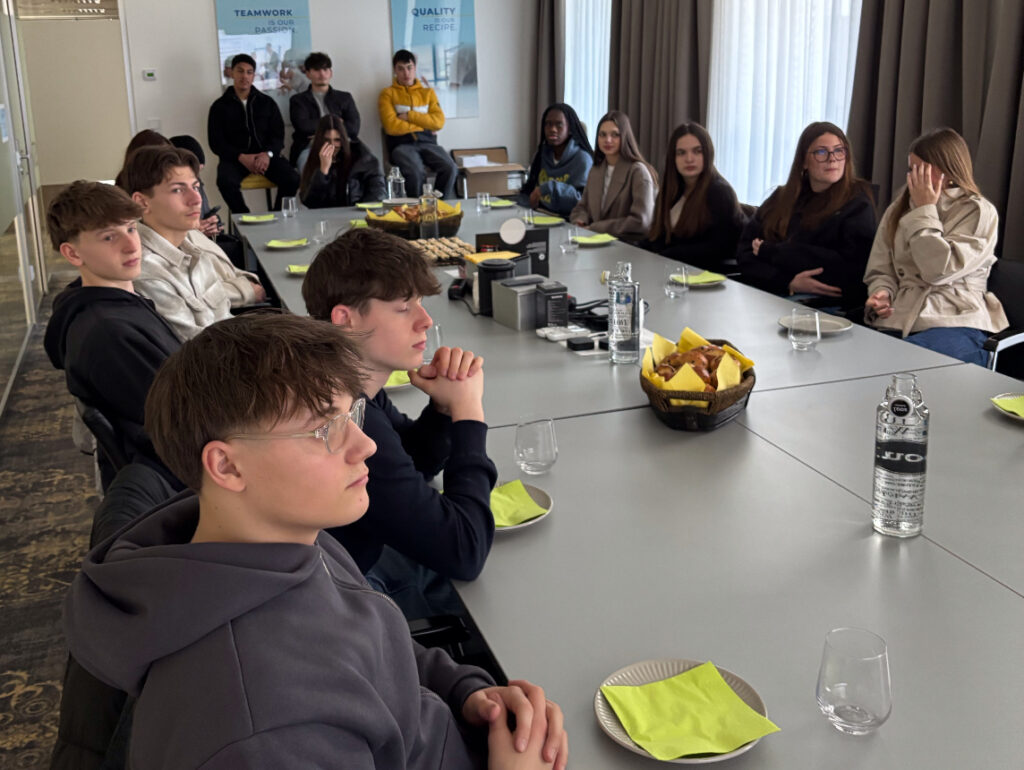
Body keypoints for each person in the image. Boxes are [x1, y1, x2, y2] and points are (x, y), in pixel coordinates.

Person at [63, 313, 569, 769]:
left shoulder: (282, 540)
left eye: (353, 415)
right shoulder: (263, 731)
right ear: (227, 466)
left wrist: (464, 691)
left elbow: (369, 640)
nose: (365, 445)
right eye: (325, 428)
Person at [302, 228, 496, 617]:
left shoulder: (342, 378)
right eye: (404, 307)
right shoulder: (348, 417)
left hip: (339, 560)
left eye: (420, 303)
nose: (425, 321)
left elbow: (413, 461)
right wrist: (468, 412)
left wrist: (443, 409)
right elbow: (464, 551)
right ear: (345, 319)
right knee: (504, 589)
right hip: (338, 594)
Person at [43, 181, 182, 489]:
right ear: (72, 253)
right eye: (109, 237)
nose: (132, 245)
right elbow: (181, 424)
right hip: (182, 475)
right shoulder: (109, 334)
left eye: (131, 228)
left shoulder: (116, 304)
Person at [864, 127, 1008, 364]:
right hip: (898, 319)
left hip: (956, 321)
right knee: (855, 359)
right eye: (911, 169)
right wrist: (882, 293)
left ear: (948, 170)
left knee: (899, 365)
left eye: (921, 170)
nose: (913, 177)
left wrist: (924, 210)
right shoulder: (898, 209)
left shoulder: (979, 211)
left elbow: (938, 270)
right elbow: (881, 269)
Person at [122, 145, 267, 340]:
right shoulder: (146, 271)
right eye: (177, 190)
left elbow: (224, 319)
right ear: (142, 202)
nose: (196, 199)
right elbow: (198, 347)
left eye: (195, 187)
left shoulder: (194, 251)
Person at [736, 121, 876, 311]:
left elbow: (849, 267)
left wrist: (774, 252)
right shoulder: (781, 197)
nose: (832, 159)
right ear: (803, 161)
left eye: (839, 151)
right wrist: (787, 281)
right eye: (821, 152)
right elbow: (745, 253)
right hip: (771, 291)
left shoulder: (858, 203)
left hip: (824, 305)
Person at [639, 122, 745, 272]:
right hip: (671, 269)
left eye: (697, 151)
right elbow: (659, 237)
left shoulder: (720, 192)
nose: (689, 159)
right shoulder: (671, 191)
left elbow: (718, 248)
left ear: (708, 154)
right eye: (681, 153)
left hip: (703, 275)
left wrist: (667, 255)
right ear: (673, 158)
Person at [207, 53, 299, 212]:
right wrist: (240, 156)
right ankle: (245, 219)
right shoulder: (219, 106)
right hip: (235, 159)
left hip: (266, 157)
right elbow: (216, 142)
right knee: (225, 182)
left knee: (292, 178)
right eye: (240, 71)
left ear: (253, 76)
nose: (245, 76)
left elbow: (278, 136)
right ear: (232, 73)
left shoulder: (267, 102)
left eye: (249, 72)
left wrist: (267, 154)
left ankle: (277, 218)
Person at [379, 49, 458, 198]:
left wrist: (409, 116)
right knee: (416, 171)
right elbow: (391, 126)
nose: (406, 73)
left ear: (415, 68)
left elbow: (438, 122)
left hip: (428, 143)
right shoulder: (387, 94)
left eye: (409, 68)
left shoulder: (428, 93)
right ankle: (416, 208)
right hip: (401, 145)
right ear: (395, 70)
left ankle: (438, 204)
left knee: (451, 168)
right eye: (401, 69)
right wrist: (425, 123)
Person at [569, 110, 656, 241]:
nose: (607, 140)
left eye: (615, 135)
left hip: (627, 245)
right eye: (602, 135)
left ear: (625, 137)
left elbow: (641, 221)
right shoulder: (596, 170)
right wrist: (580, 220)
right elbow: (582, 207)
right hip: (593, 240)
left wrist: (596, 228)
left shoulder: (638, 172)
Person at [517, 103, 594, 218]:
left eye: (559, 125)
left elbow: (582, 201)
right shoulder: (541, 154)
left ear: (570, 129)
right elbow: (529, 191)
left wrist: (550, 187)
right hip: (540, 215)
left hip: (568, 220)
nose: (553, 129)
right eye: (548, 124)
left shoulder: (582, 159)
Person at [289, 51, 361, 168]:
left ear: (330, 73)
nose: (322, 74)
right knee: (310, 172)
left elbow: (353, 128)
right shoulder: (298, 100)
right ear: (308, 74)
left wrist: (319, 132)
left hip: (343, 146)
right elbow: (303, 127)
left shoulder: (345, 98)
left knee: (363, 168)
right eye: (317, 70)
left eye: (325, 69)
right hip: (310, 148)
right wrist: (335, 121)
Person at [299, 114, 386, 208]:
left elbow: (378, 194)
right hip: (327, 215)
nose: (332, 145)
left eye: (337, 140)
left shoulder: (363, 159)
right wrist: (323, 172)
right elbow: (310, 203)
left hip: (356, 213)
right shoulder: (314, 159)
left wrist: (360, 211)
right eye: (327, 140)